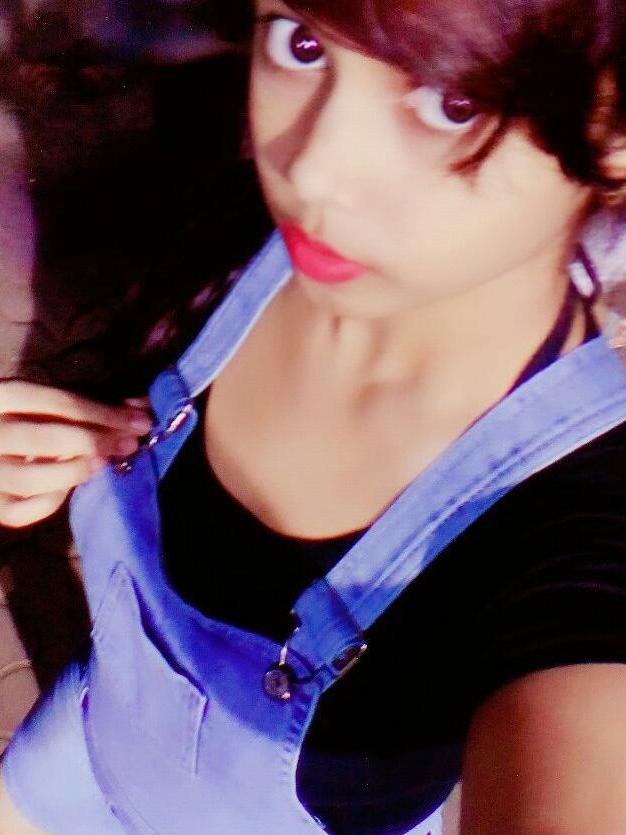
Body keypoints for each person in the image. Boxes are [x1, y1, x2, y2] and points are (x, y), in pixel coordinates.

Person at [3, 0, 626, 832]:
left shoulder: (582, 534)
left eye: (451, 101)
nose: (312, 167)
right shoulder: (236, 243)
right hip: (77, 758)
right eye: (299, 44)